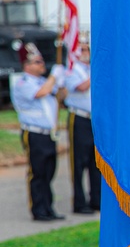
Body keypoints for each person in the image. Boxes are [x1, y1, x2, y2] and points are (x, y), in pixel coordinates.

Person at [12, 43, 65, 221]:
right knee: (37, 172)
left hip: (48, 133)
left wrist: (62, 80)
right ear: (27, 66)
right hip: (34, 134)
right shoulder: (22, 83)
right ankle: (38, 209)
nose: (42, 64)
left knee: (49, 172)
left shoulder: (44, 81)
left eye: (42, 61)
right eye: (37, 61)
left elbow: (60, 96)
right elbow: (42, 93)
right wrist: (54, 76)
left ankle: (48, 208)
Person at [62, 39, 100, 214]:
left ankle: (96, 200)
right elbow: (82, 87)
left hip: (94, 120)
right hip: (79, 118)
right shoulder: (71, 69)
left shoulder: (90, 68)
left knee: (96, 162)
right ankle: (79, 202)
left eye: (87, 48)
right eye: (82, 49)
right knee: (78, 162)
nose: (86, 52)